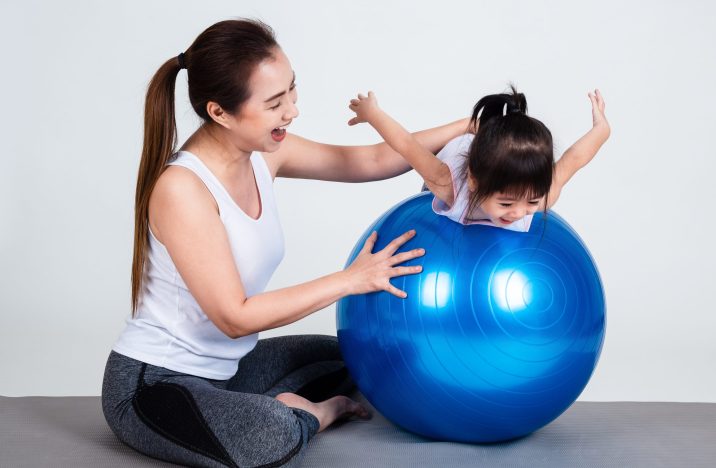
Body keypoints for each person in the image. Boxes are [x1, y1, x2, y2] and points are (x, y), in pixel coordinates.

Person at [101, 18, 468, 467]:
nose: (291, 111)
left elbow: (372, 159)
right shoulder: (184, 190)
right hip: (153, 385)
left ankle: (263, 407)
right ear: (219, 112)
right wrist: (351, 280)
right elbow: (235, 317)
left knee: (362, 358)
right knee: (269, 434)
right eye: (275, 103)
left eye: (292, 91)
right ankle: (310, 415)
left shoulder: (264, 154)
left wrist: (468, 126)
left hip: (227, 373)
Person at [347, 85, 610, 232]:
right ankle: (470, 126)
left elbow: (574, 158)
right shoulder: (449, 185)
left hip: (487, 165)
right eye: (506, 203)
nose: (519, 212)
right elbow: (406, 144)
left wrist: (602, 127)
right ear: (474, 181)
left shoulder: (542, 196)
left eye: (531, 201)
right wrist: (372, 113)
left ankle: (480, 127)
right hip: (453, 167)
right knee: (431, 171)